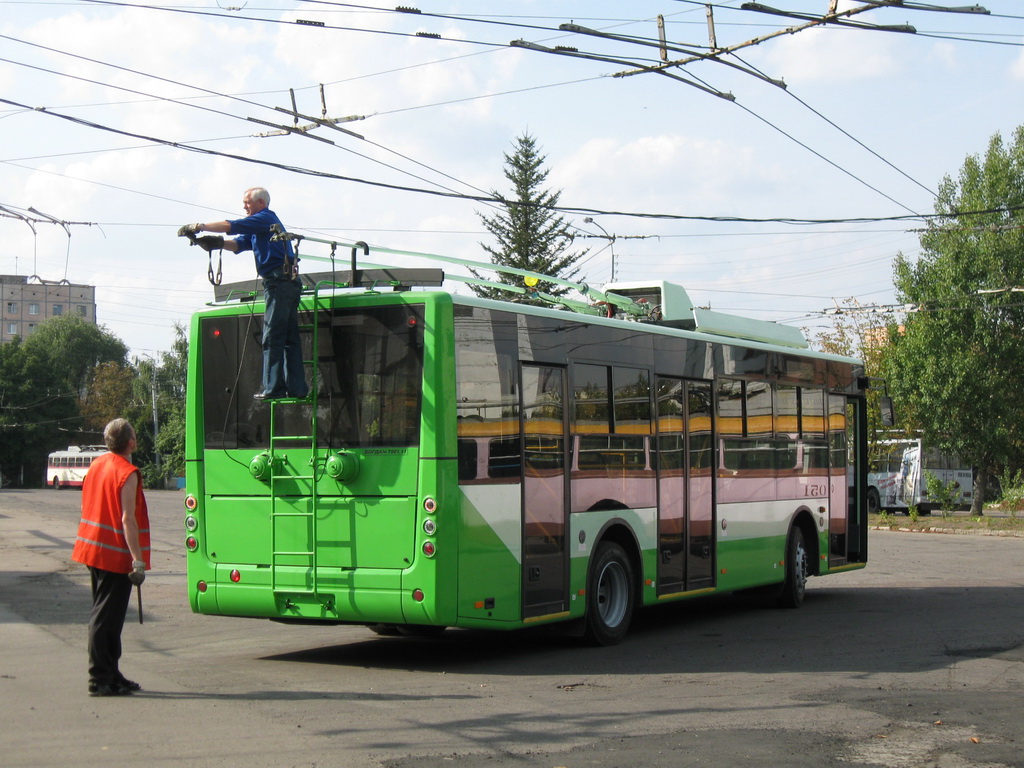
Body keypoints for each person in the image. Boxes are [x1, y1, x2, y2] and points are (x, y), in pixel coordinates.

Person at [178, 187, 308, 400]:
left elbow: (232, 226)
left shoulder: (264, 218)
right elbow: (239, 243)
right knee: (288, 338)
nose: (244, 206)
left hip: (278, 283)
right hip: (285, 283)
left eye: (247, 202)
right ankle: (296, 387)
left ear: (260, 203)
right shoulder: (261, 227)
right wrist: (216, 243)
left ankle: (273, 387)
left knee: (272, 336)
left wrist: (199, 227)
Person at [70, 418, 150, 697]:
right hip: (114, 555)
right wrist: (137, 560)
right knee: (106, 619)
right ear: (130, 442)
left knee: (109, 618)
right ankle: (100, 679)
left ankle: (112, 674)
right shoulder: (126, 472)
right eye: (135, 435)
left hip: (92, 549)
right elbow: (128, 519)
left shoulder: (97, 465)